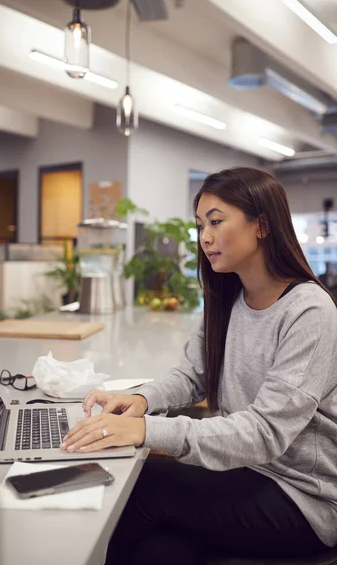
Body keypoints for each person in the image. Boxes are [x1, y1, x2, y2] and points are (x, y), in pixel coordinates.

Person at [60, 167, 337, 564]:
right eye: (200, 225)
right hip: (245, 471)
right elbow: (192, 374)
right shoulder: (229, 296)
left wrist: (145, 429)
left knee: (144, 489)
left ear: (261, 225)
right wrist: (140, 400)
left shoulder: (308, 310)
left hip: (303, 498)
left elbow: (264, 434)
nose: (205, 237)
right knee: (157, 551)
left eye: (216, 222)